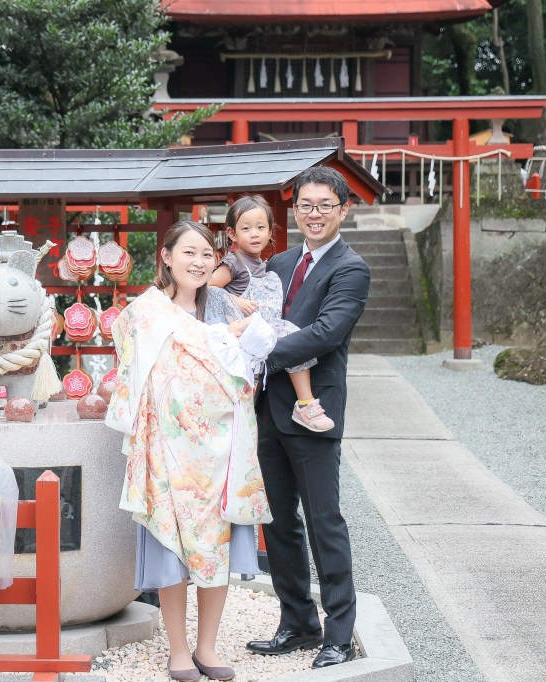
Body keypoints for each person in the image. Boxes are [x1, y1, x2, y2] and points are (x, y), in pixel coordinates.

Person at [106, 220, 275, 682]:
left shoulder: (220, 308)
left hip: (220, 449)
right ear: (166, 256)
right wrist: (224, 340)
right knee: (172, 548)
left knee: (216, 546)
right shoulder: (147, 311)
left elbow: (247, 370)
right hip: (168, 449)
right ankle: (178, 650)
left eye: (208, 255)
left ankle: (208, 647)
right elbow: (139, 371)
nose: (200, 262)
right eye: (190, 253)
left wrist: (234, 342)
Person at [245, 166, 370, 669]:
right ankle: (297, 621)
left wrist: (253, 348)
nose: (313, 213)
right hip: (267, 409)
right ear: (293, 209)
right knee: (277, 523)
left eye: (324, 205)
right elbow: (253, 311)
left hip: (312, 411)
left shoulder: (351, 268)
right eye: (305, 204)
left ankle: (338, 634)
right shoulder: (277, 261)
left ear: (344, 210)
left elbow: (325, 333)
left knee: (324, 522)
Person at [210, 194, 335, 432]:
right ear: (232, 234)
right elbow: (208, 286)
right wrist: (236, 299)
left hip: (264, 329)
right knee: (292, 337)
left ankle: (304, 404)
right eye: (246, 228)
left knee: (290, 347)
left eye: (260, 227)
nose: (254, 234)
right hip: (244, 329)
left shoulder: (266, 264)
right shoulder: (234, 262)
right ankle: (305, 402)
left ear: (270, 232)